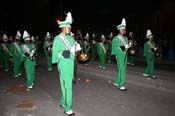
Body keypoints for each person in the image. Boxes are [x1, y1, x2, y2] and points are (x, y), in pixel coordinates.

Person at [52, 12, 81, 116]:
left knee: (65, 85)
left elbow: (74, 49)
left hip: (71, 64)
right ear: (64, 27)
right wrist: (69, 52)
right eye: (69, 27)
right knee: (67, 86)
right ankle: (68, 108)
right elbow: (55, 54)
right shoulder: (58, 39)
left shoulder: (70, 38)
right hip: (63, 65)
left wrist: (77, 48)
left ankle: (63, 102)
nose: (70, 28)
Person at [111, 18, 131, 91]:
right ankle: (121, 85)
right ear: (119, 30)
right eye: (122, 29)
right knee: (122, 70)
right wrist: (125, 47)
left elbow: (125, 48)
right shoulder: (116, 38)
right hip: (119, 56)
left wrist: (128, 46)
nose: (123, 31)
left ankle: (117, 82)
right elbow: (115, 49)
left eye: (124, 29)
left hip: (125, 55)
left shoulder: (126, 38)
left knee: (122, 69)